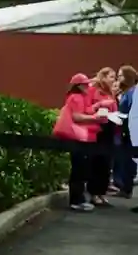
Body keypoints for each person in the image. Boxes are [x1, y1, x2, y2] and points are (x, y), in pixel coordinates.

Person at [53, 73, 103, 211]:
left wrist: (96, 108)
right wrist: (95, 117)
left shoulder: (79, 97)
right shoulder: (76, 97)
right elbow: (77, 116)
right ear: (79, 86)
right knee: (78, 169)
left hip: (78, 136)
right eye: (85, 84)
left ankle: (78, 199)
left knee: (80, 168)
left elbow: (84, 111)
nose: (88, 86)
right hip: (76, 137)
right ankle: (76, 200)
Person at [86, 67, 118, 206]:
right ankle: (94, 193)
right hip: (98, 128)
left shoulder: (110, 93)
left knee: (106, 162)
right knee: (97, 161)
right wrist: (100, 105)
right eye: (111, 77)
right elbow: (88, 108)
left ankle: (102, 192)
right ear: (103, 77)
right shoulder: (94, 90)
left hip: (110, 127)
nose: (114, 80)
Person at [114, 65, 137, 197]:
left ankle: (125, 187)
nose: (118, 78)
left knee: (127, 159)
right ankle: (125, 187)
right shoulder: (128, 92)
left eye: (121, 75)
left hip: (129, 130)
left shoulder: (131, 93)